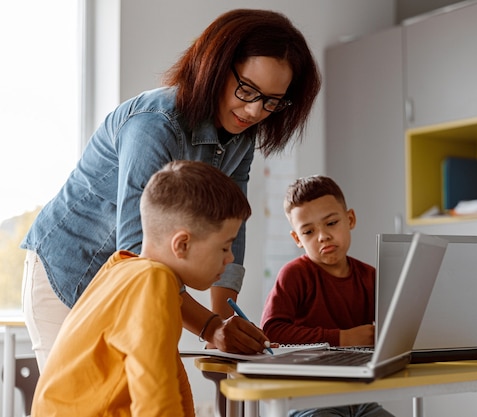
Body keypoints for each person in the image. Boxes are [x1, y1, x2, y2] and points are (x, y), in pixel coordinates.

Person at [20, 8, 321, 370]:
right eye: (247, 90)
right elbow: (138, 256)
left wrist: (227, 320)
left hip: (132, 284)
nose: (255, 111)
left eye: (272, 101)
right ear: (214, 66)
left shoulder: (241, 135)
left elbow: (231, 226)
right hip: (69, 275)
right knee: (78, 403)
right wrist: (211, 328)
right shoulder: (154, 125)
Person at [31, 160, 256, 416]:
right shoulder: (153, 281)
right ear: (182, 244)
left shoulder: (122, 267)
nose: (229, 259)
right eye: (225, 248)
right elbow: (154, 395)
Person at [261, 175, 394, 417]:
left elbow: (394, 325)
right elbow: (271, 331)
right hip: (307, 397)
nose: (322, 236)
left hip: (359, 396)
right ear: (297, 239)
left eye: (331, 223)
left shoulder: (370, 277)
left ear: (350, 219)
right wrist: (342, 338)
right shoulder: (294, 275)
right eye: (309, 231)